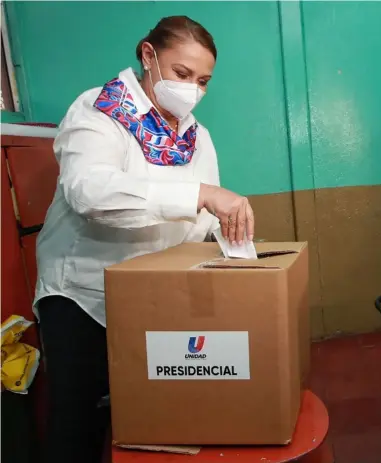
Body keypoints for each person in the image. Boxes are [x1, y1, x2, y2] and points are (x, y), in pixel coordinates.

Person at [34, 16, 254, 463]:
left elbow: (204, 214)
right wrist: (203, 195)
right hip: (85, 297)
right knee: (80, 424)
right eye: (182, 74)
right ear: (148, 55)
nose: (193, 89)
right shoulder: (99, 112)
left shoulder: (194, 134)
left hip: (154, 297)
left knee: (158, 416)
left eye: (204, 81)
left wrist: (237, 246)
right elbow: (90, 193)